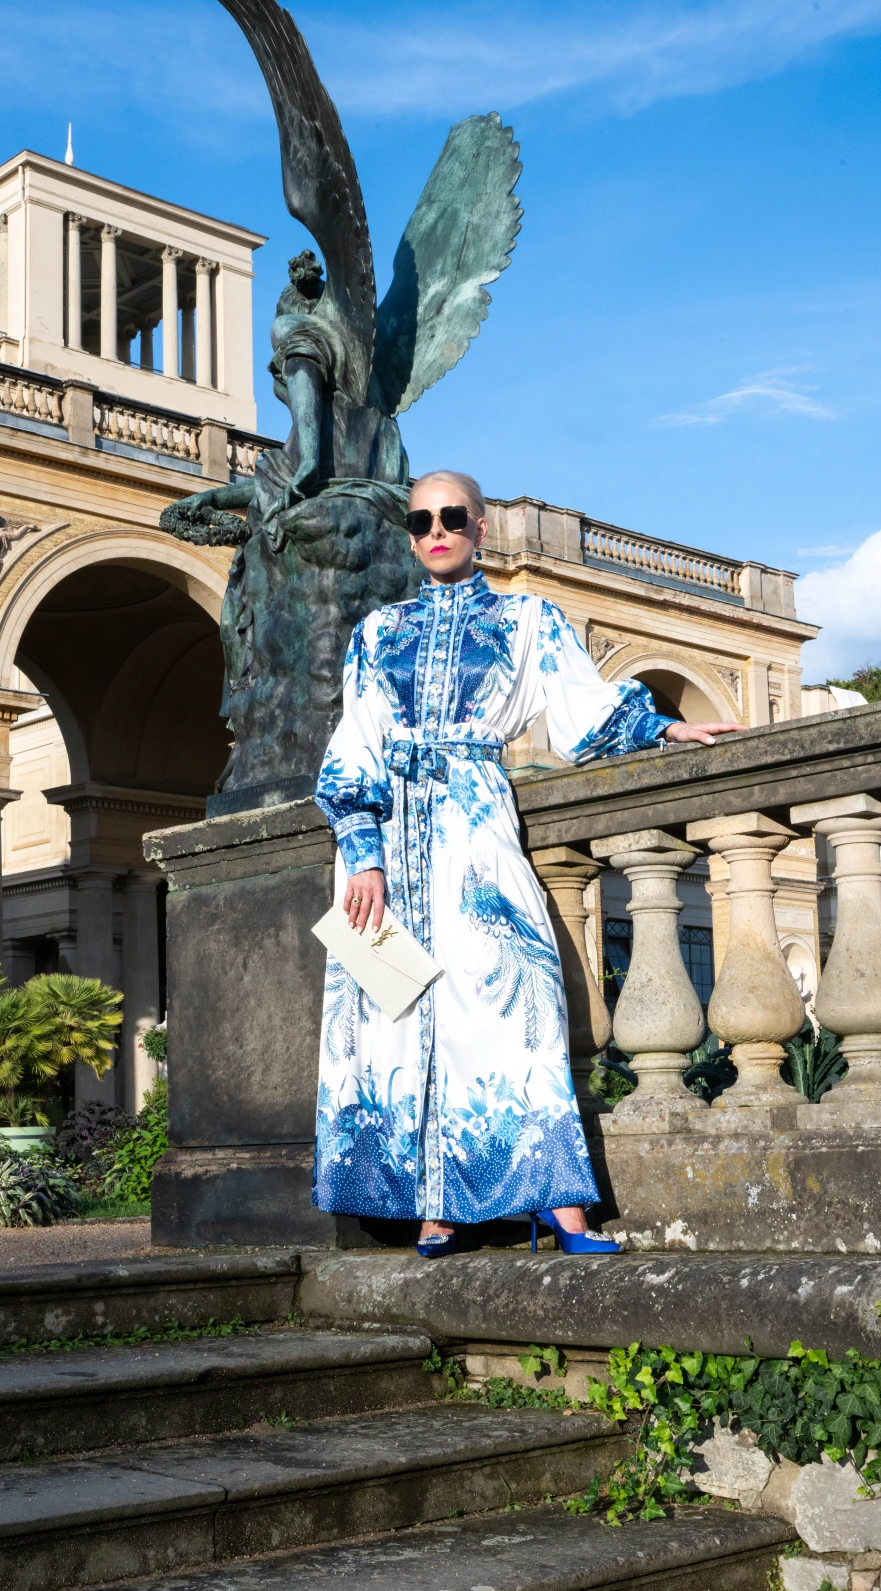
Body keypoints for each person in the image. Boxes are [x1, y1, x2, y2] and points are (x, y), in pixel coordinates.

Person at [313, 470, 742, 1256]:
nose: (435, 532)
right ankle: (433, 1207)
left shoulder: (527, 618)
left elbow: (584, 706)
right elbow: (355, 741)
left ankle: (560, 1205)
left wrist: (660, 728)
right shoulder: (377, 631)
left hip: (473, 825)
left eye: (451, 517)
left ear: (480, 528)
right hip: (383, 842)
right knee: (393, 1012)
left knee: (514, 999)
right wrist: (363, 854)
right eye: (420, 521)